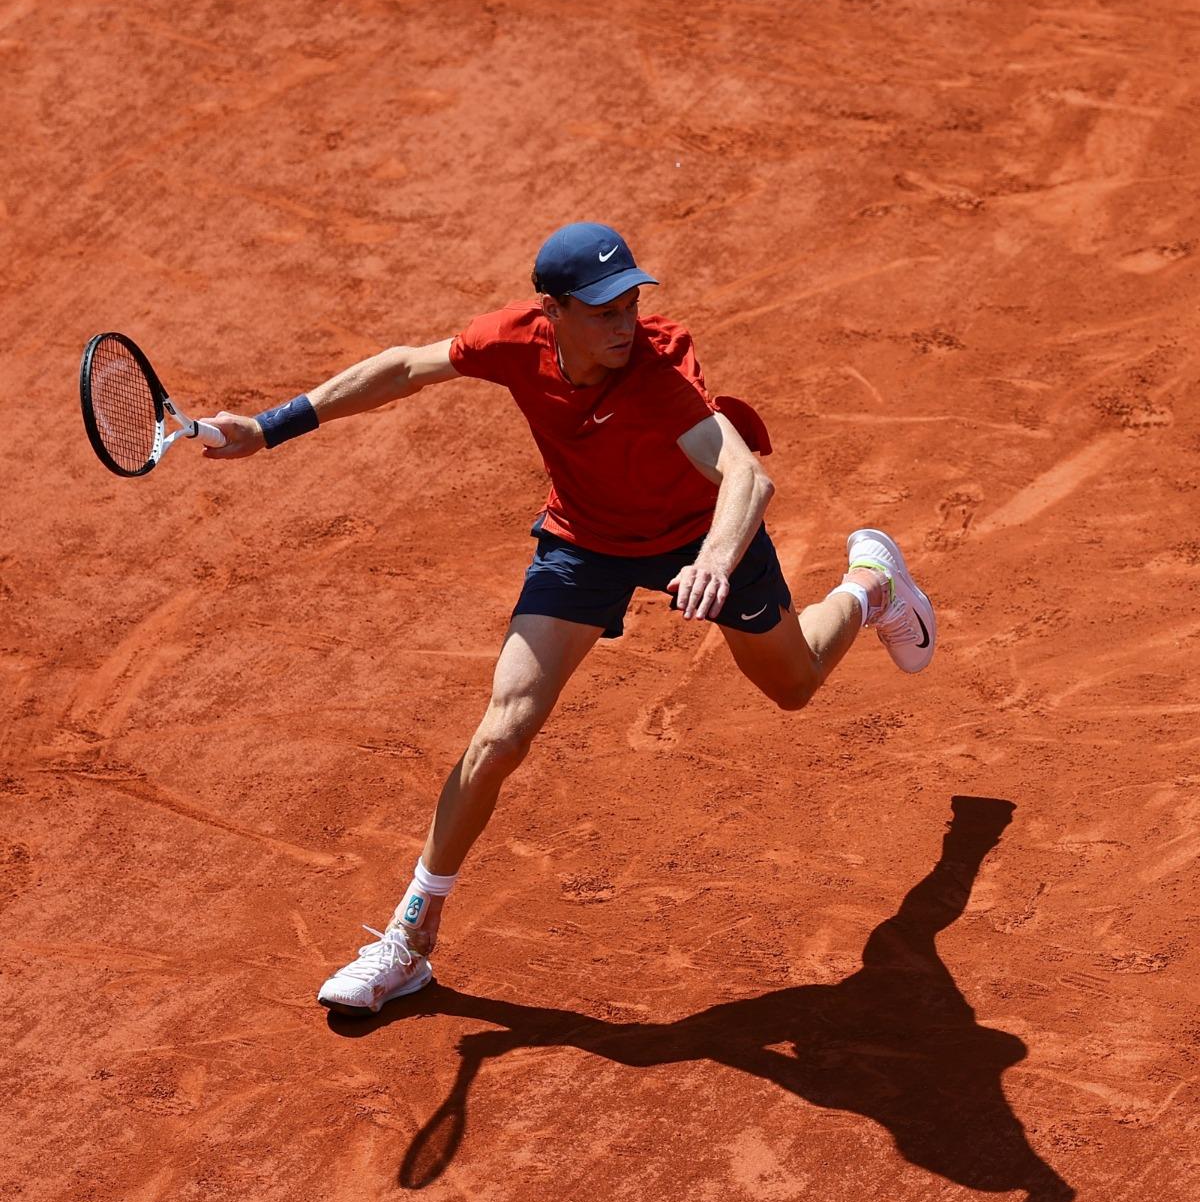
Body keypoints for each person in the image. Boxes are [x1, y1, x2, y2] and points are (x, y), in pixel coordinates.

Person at [203, 221, 937, 1016]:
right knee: (503, 730)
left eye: (629, 303)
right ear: (551, 311)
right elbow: (405, 368)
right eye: (601, 311)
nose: (623, 325)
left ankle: (870, 586)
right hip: (585, 542)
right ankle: (409, 938)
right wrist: (270, 427)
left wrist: (717, 562)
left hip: (699, 536)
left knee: (792, 685)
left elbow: (744, 480)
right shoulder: (514, 341)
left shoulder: (659, 375)